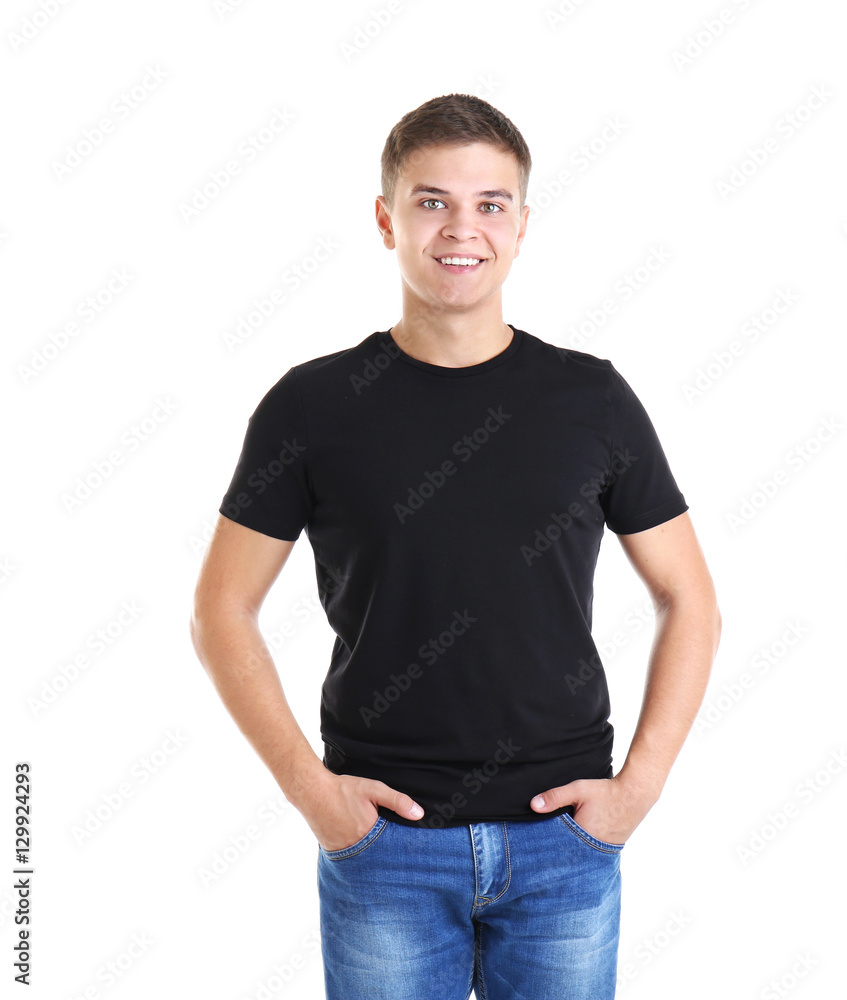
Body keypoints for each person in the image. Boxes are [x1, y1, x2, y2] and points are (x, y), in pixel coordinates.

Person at [189, 93, 722, 1000]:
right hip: (384, 844)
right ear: (386, 219)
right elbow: (219, 610)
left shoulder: (589, 400)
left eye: (489, 204)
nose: (459, 229)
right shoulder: (311, 407)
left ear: (520, 224)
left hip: (563, 842)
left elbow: (690, 600)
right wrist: (314, 797)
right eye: (432, 201)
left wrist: (638, 789)